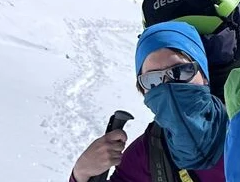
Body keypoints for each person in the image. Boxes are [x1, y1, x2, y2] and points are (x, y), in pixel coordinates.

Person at [70, 21, 227, 182]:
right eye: (153, 80)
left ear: (204, 75)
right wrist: (82, 172)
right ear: (143, 90)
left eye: (181, 71)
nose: (168, 87)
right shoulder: (146, 156)